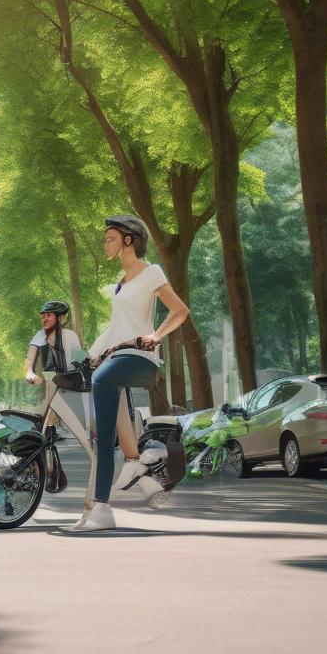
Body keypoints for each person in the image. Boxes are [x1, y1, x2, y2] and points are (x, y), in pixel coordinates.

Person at [70, 215, 190, 532]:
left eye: (110, 239)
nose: (105, 244)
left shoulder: (151, 272)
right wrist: (87, 356)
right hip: (118, 356)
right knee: (105, 439)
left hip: (140, 356)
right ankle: (115, 495)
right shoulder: (122, 282)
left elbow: (180, 311)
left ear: (129, 240)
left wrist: (157, 335)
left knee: (101, 380)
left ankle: (104, 506)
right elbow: (115, 328)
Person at [25, 300, 82, 492]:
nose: (44, 319)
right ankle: (45, 471)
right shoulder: (41, 335)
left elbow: (80, 359)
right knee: (44, 428)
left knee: (49, 429)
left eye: (48, 315)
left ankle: (46, 470)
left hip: (71, 384)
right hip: (53, 384)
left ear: (60, 317)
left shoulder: (70, 335)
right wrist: (30, 372)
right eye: (42, 315)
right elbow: (30, 357)